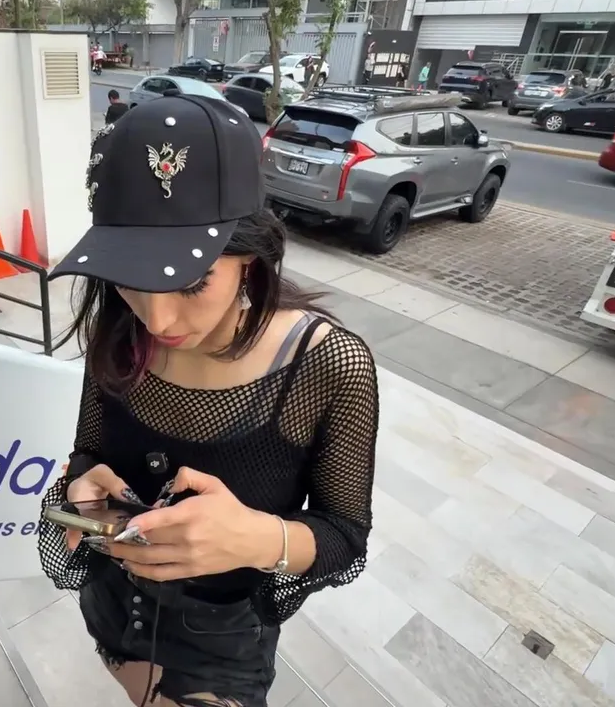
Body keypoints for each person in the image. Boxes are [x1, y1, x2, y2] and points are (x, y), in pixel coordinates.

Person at [38, 95, 377, 706]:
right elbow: (90, 448)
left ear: (252, 257)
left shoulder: (326, 364)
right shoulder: (119, 333)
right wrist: (83, 482)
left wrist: (256, 539)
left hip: (222, 638)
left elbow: (345, 535)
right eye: (131, 278)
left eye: (192, 282)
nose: (157, 317)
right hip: (113, 601)